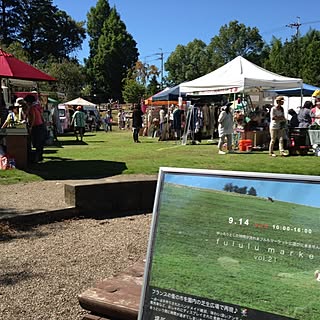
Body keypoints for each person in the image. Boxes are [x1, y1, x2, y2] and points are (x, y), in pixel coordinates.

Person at [24, 94, 47, 162]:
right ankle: (39, 157)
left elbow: (33, 118)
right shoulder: (37, 107)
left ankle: (37, 158)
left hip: (37, 126)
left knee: (37, 143)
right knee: (39, 143)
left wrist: (30, 127)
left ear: (28, 102)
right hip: (40, 126)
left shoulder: (32, 108)